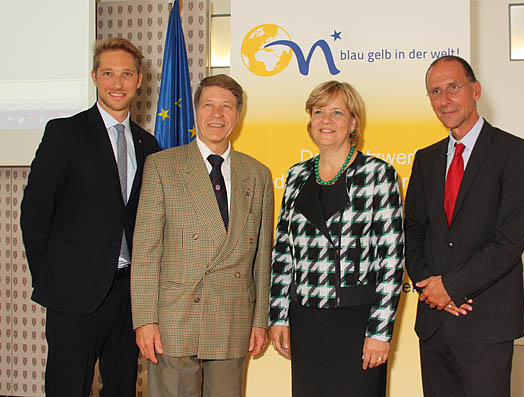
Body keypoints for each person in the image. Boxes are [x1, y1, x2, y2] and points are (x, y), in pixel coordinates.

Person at [20, 38, 160, 396]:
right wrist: (52, 276)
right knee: (68, 386)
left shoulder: (149, 146)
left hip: (128, 295)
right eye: (109, 74)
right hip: (73, 294)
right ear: (95, 77)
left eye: (126, 74)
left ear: (139, 81)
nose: (118, 83)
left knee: (122, 387)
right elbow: (34, 213)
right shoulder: (64, 133)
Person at [131, 74, 274, 397]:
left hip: (232, 316)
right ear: (196, 111)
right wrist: (144, 320)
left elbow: (262, 258)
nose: (217, 114)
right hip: (174, 318)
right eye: (209, 105)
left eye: (227, 107)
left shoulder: (257, 174)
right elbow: (146, 252)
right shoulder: (162, 166)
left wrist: (259, 320)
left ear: (238, 115)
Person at [405, 56, 524, 397]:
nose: (444, 100)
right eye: (435, 91)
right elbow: (413, 232)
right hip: (434, 322)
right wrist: (431, 291)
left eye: (453, 88)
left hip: (487, 322)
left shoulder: (514, 152)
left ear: (475, 90)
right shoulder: (425, 158)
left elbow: (509, 242)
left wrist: (452, 286)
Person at [269, 81, 405, 397]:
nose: (326, 121)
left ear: (353, 122)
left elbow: (392, 259)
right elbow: (283, 253)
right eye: (319, 112)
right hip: (307, 321)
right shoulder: (296, 176)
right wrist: (278, 316)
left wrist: (380, 332)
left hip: (357, 322)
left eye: (337, 112)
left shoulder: (377, 174)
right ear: (310, 121)